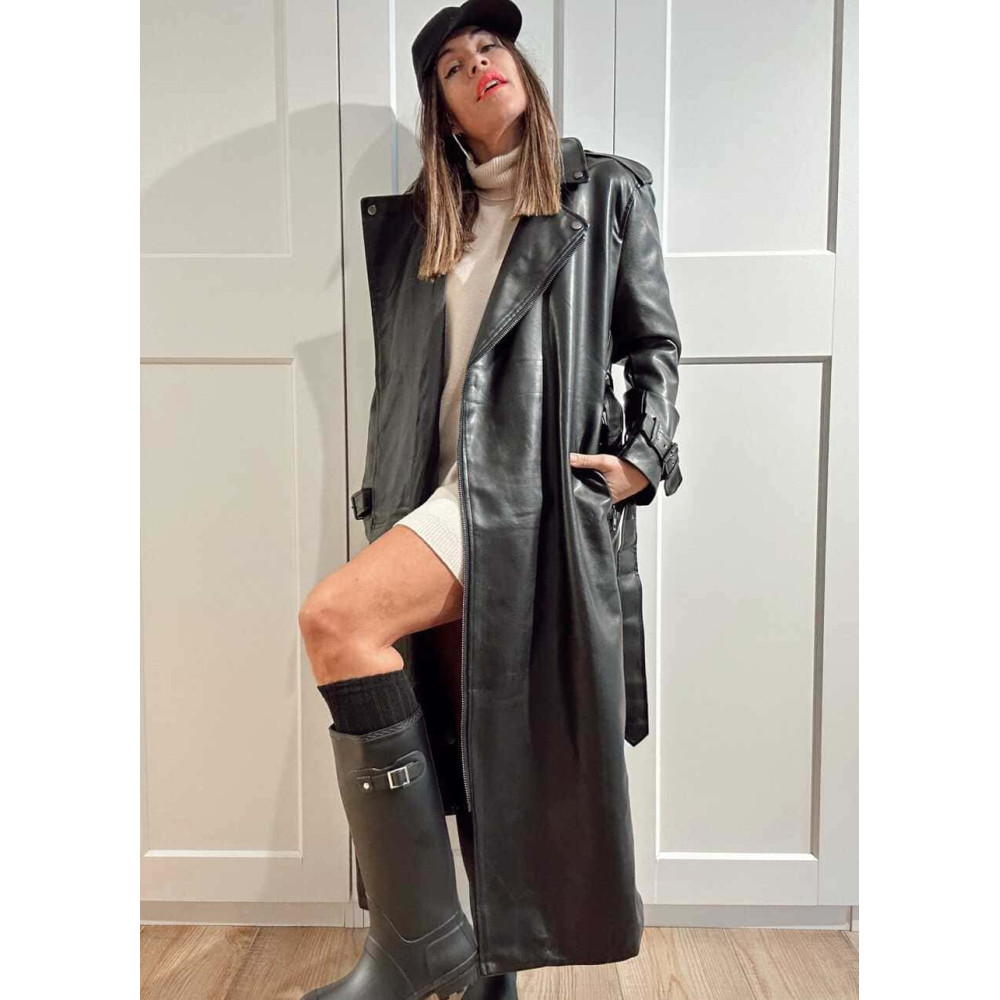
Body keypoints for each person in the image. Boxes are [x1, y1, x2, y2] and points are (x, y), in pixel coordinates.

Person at [296, 1, 683, 997]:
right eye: (453, 66)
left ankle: (419, 951)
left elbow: (652, 344)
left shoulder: (605, 192)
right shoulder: (423, 223)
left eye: (491, 47)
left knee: (337, 619)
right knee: (469, 747)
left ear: (518, 66)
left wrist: (642, 459)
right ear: (443, 108)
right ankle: (481, 971)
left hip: (523, 500)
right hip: (423, 493)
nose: (478, 66)